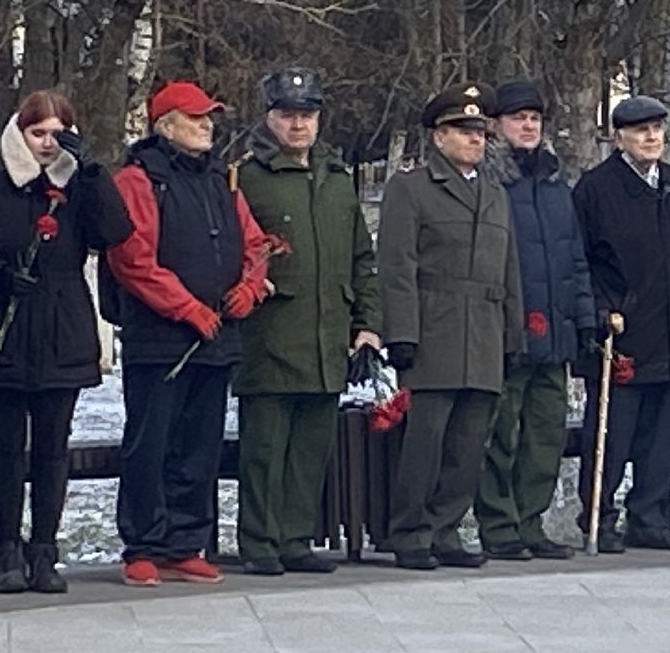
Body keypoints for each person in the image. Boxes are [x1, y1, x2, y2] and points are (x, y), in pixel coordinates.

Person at [0, 90, 133, 593]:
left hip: (62, 326)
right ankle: (6, 551)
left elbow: (115, 232)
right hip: (7, 329)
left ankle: (44, 550)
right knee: (7, 447)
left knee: (53, 448)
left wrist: (92, 173)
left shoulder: (77, 190)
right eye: (38, 133)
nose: (46, 143)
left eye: (57, 134)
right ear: (19, 134)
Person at [107, 81, 270, 586]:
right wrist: (185, 308)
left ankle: (186, 540)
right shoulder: (138, 181)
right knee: (151, 442)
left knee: (199, 445)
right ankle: (143, 542)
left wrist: (251, 287)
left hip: (216, 336)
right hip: (159, 339)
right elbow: (133, 258)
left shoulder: (224, 180)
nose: (207, 127)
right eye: (196, 118)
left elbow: (256, 242)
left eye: (209, 119)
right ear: (166, 126)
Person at [233, 68, 381, 575]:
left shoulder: (337, 178)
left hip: (328, 335)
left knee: (311, 449)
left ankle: (296, 538)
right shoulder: (247, 178)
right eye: (288, 115)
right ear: (269, 118)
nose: (298, 125)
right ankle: (259, 542)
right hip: (271, 333)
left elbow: (362, 256)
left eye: (307, 115)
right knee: (265, 449)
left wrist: (368, 321)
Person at [378, 82, 523, 570]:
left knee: (467, 444)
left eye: (480, 131)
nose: (475, 139)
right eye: (463, 131)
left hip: (483, 330)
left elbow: (509, 269)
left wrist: (513, 333)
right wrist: (402, 333)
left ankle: (446, 528)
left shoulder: (495, 193)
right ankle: (410, 531)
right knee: (426, 441)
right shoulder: (411, 188)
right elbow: (397, 266)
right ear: (438, 137)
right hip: (434, 329)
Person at [572, 96, 670, 553]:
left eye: (657, 129)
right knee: (611, 435)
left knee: (661, 437)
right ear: (619, 137)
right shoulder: (596, 189)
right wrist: (602, 310)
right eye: (640, 130)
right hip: (620, 334)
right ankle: (598, 518)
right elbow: (581, 259)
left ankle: (651, 517)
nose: (651, 138)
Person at [474, 80, 594, 561]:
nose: (527, 126)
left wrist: (583, 319)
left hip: (556, 331)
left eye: (534, 118)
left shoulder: (555, 185)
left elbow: (575, 259)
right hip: (507, 329)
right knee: (501, 434)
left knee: (545, 435)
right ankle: (498, 524)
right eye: (517, 118)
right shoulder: (488, 184)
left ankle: (531, 521)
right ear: (497, 125)